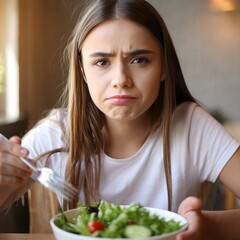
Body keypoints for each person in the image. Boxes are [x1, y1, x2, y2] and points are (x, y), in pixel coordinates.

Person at [0, 0, 239, 239]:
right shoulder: (58, 133)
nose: (121, 79)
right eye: (102, 62)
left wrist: (209, 225)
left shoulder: (190, 127)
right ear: (83, 71)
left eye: (139, 60)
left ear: (164, 67)